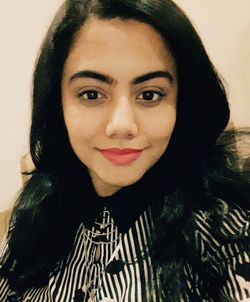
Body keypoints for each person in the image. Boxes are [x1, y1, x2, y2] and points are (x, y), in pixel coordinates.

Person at [0, 0, 249, 301]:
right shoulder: (33, 210)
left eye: (149, 94)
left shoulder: (223, 231)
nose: (122, 125)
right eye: (91, 94)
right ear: (58, 104)